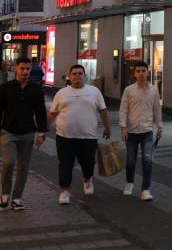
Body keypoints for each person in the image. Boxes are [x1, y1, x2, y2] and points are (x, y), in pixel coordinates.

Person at [47, 64, 111, 205]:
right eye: (74, 73)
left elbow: (103, 111)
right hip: (64, 137)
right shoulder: (61, 93)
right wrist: (43, 131)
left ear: (84, 76)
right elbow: (52, 113)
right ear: (69, 76)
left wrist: (108, 128)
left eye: (80, 73)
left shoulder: (94, 91)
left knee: (88, 163)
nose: (77, 76)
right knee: (65, 164)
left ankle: (87, 179)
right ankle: (64, 190)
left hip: (88, 137)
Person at [0, 57, 48, 210]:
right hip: (8, 132)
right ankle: (5, 193)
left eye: (28, 69)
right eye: (22, 68)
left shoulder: (36, 89)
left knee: (23, 166)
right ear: (15, 68)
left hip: (28, 132)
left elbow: (40, 112)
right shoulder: (6, 88)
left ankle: (17, 198)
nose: (25, 72)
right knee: (8, 162)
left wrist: (41, 132)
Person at [119, 60, 163, 201]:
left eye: (143, 71)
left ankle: (145, 190)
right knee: (131, 160)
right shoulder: (129, 90)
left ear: (148, 72)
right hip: (131, 132)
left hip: (147, 131)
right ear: (134, 74)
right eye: (138, 71)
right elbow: (123, 110)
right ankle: (129, 183)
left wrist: (160, 126)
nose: (141, 74)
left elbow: (157, 109)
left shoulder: (154, 90)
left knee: (147, 160)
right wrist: (123, 127)